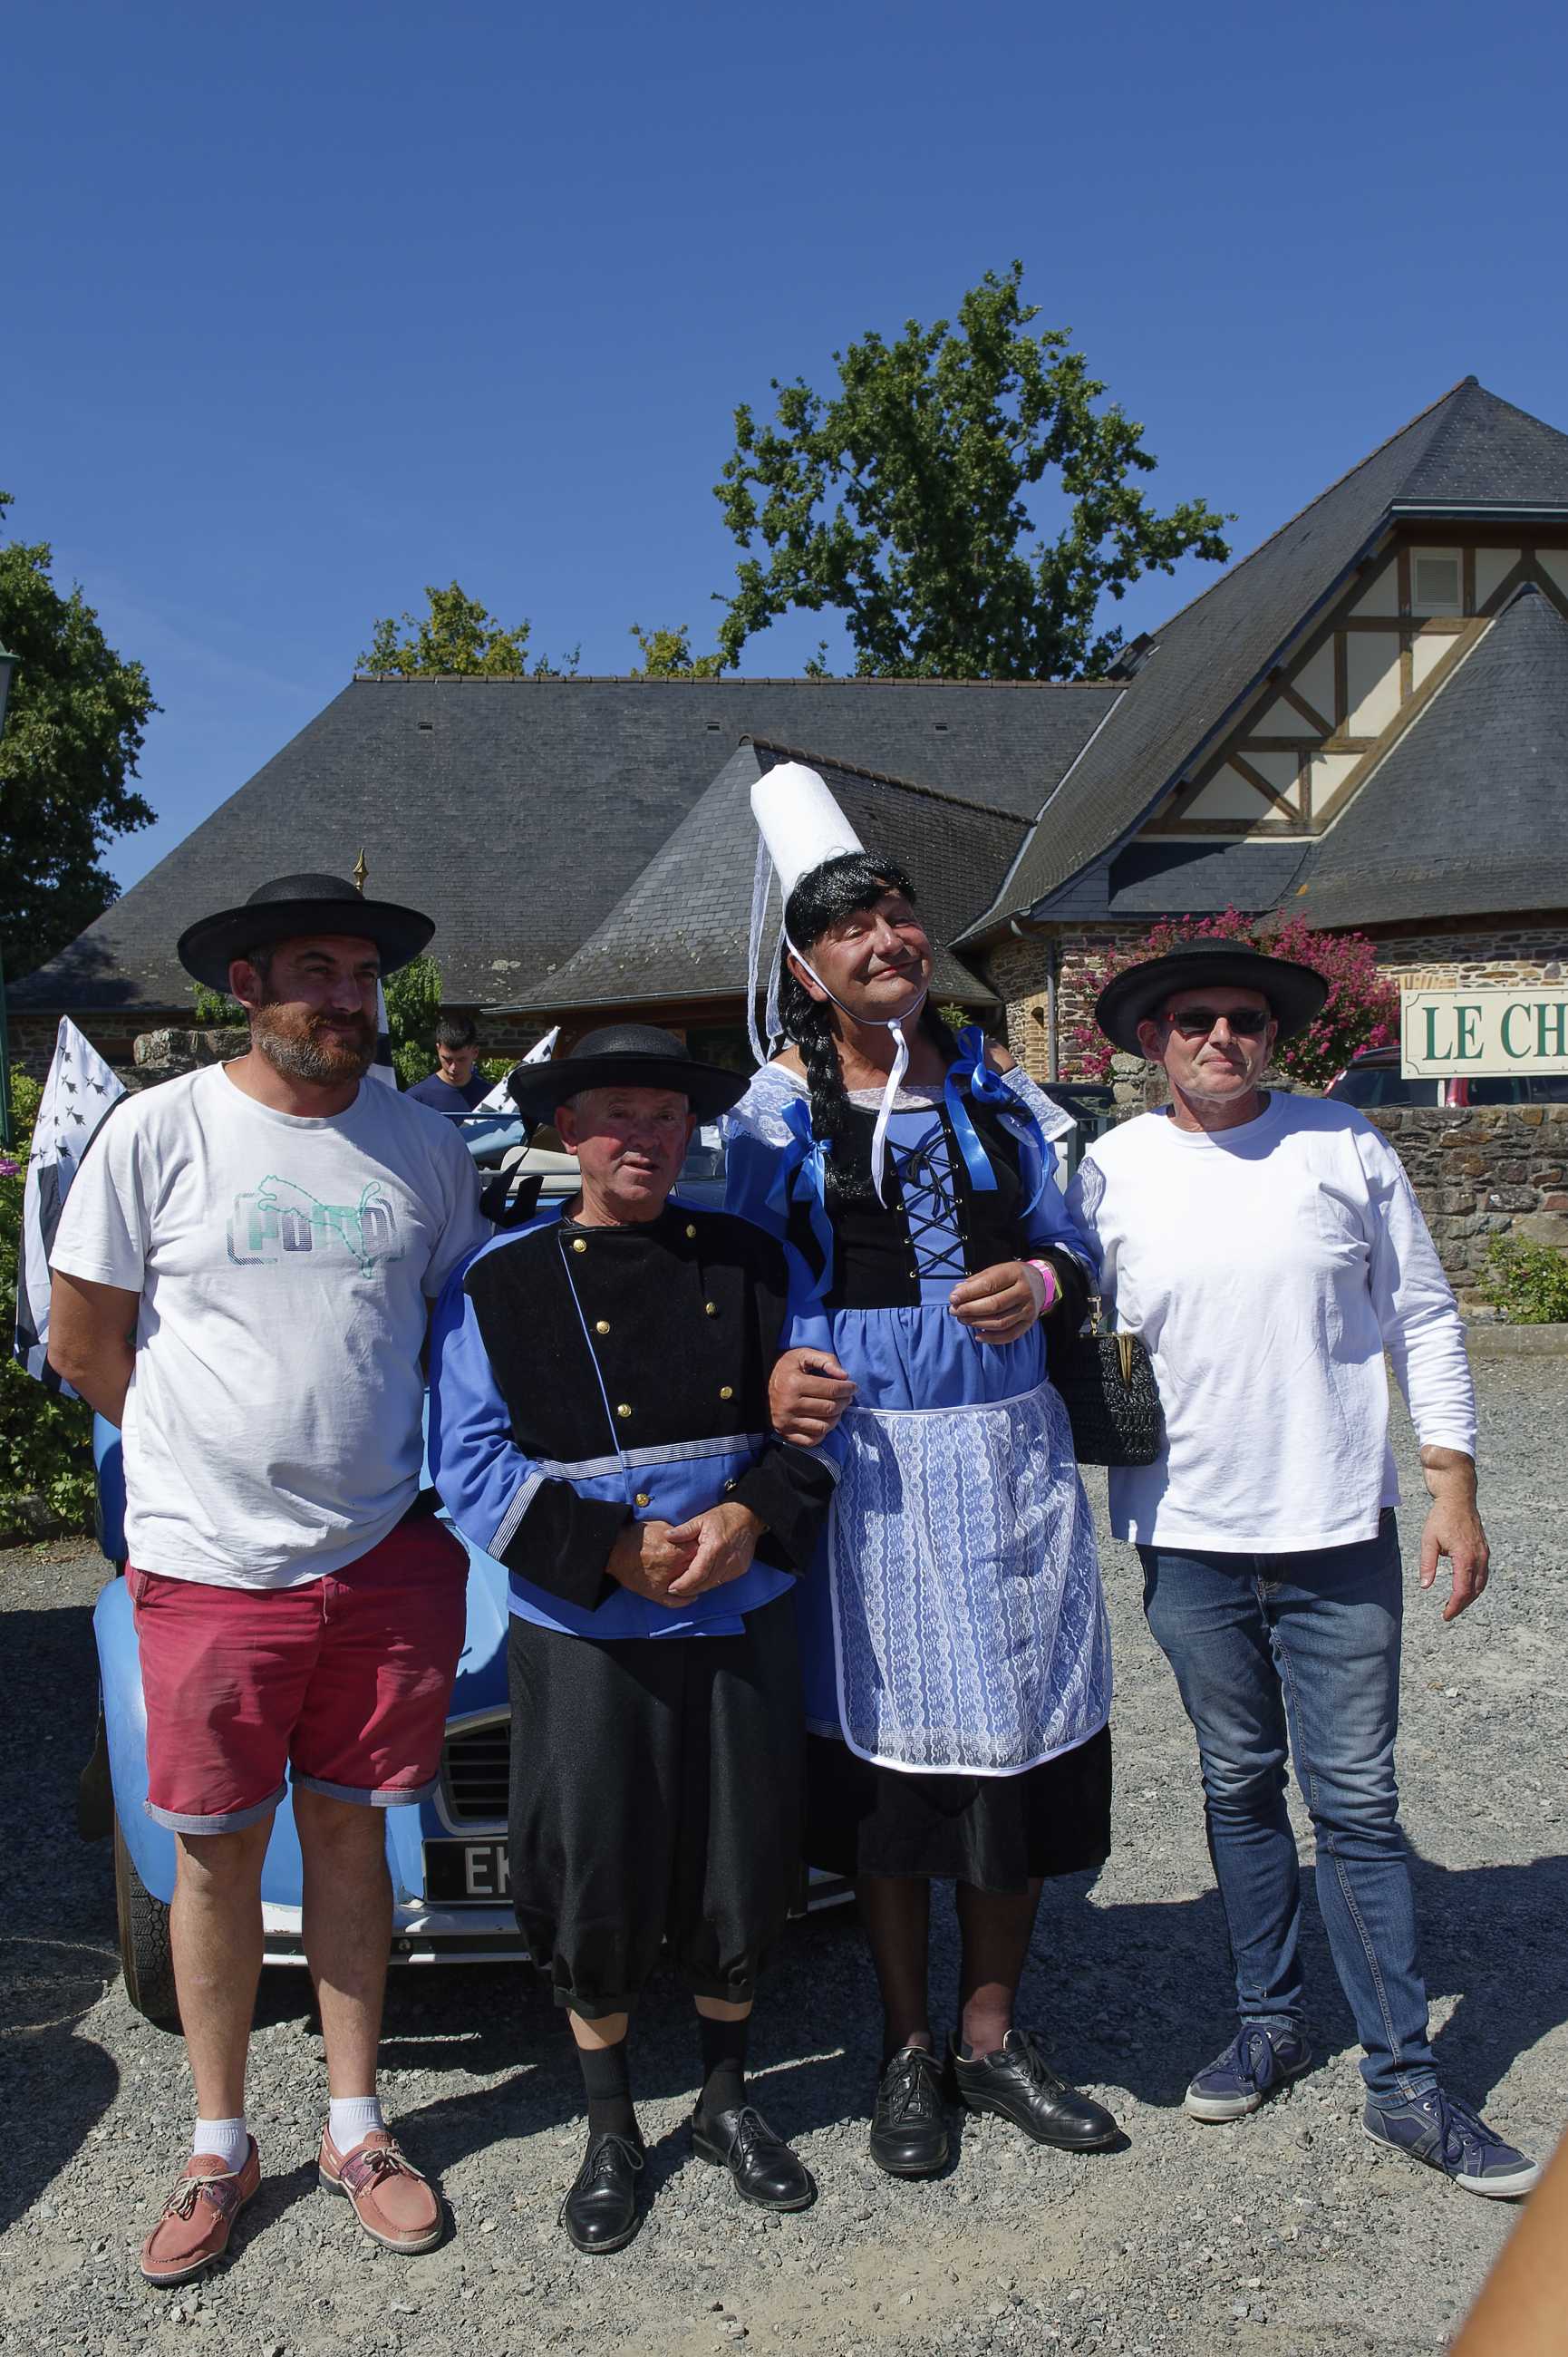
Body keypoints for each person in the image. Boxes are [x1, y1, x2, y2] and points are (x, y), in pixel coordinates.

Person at [47, 872, 489, 2284]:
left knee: (354, 1839)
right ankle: (219, 2144)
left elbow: (451, 1339)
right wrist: (204, 1467)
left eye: (364, 974)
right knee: (217, 1854)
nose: (347, 999)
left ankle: (356, 2128)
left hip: (383, 1555)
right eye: (317, 970)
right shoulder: (156, 1132)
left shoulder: (424, 1145)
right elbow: (84, 1344)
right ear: (242, 985)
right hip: (210, 1567)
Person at [1069, 936, 1540, 2198]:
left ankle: (1402, 2083)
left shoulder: (1343, 1145)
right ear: (1152, 1041)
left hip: (1335, 1527)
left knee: (1355, 1804)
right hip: (1185, 1534)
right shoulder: (1105, 1171)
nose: (1218, 1038)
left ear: (1272, 1038)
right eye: (1190, 1021)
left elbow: (1425, 1315)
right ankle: (1267, 2017)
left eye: (1241, 1020)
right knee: (1234, 1785)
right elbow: (1065, 1323)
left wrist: (1451, 1485)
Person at [728, 763, 1118, 2182]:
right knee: (892, 1773)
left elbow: (1077, 1236)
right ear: (805, 965)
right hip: (872, 1473)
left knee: (1009, 1748)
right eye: (849, 928)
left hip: (1007, 1459)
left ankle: (993, 2031)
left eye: (895, 915)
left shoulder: (997, 1090)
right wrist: (770, 1367)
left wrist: (1043, 1272)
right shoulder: (773, 1113)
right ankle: (906, 2046)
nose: (882, 940)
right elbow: (740, 1283)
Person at [429, 1024, 837, 2255]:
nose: (644, 1141)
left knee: (741, 1852)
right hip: (583, 1623)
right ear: (566, 1133)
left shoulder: (756, 1260)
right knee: (592, 1865)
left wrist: (745, 1514)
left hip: (737, 1602)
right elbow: (465, 1462)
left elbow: (816, 1421)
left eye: (665, 1117)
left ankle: (723, 2100)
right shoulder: (499, 1282)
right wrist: (611, 1549)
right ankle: (610, 2124)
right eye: (616, 1116)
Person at [406, 1012, 490, 1113]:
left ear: (475, 1052)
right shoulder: (415, 1100)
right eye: (447, 1060)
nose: (453, 1068)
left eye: (461, 1060)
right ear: (438, 1049)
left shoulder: (491, 1098)